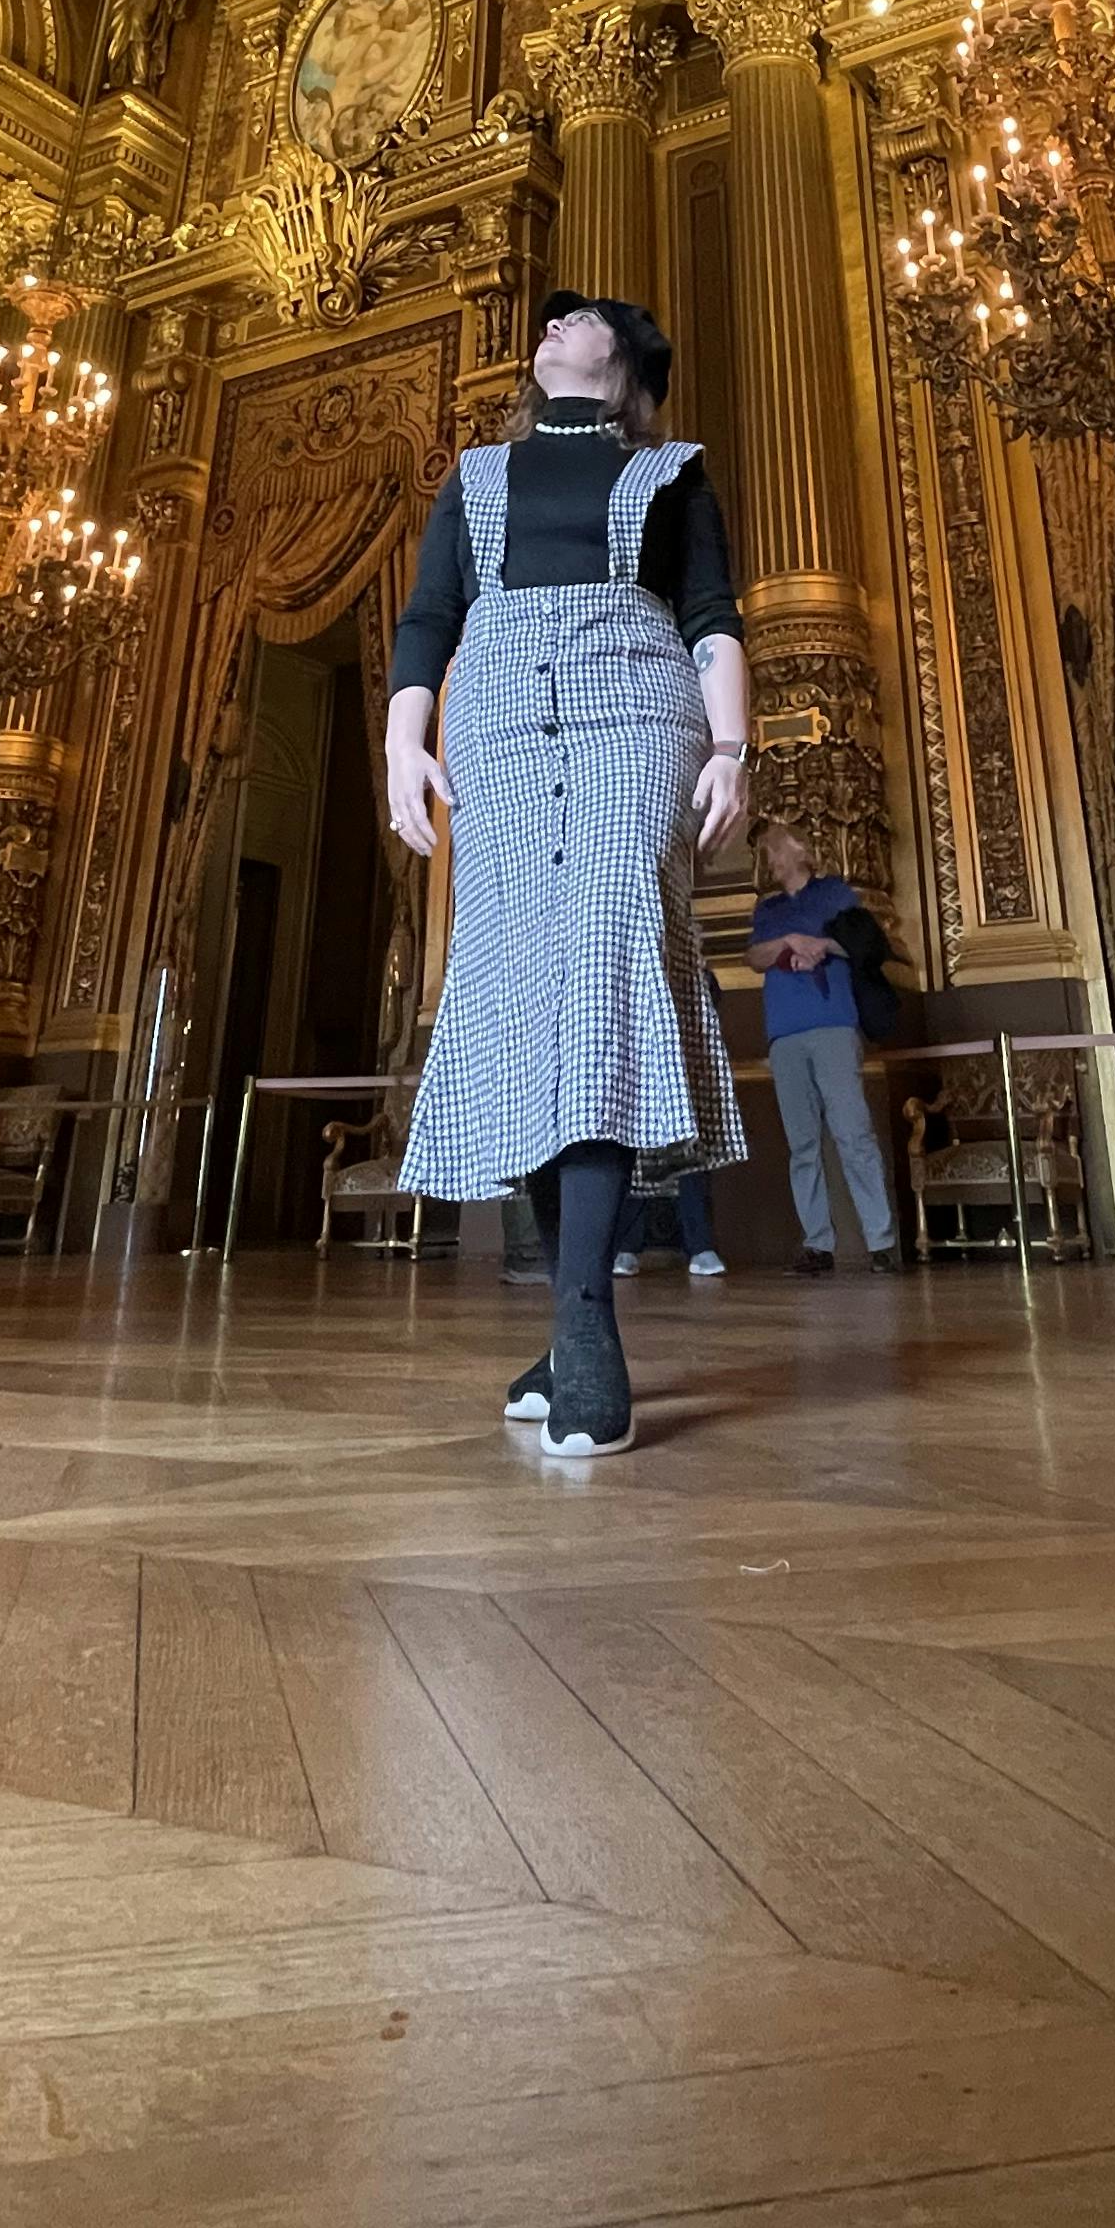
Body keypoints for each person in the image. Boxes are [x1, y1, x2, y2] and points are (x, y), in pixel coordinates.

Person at [385, 290, 749, 1462]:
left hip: (635, 710)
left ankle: (585, 1322)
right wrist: (404, 741)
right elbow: (431, 615)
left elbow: (712, 616)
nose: (550, 331)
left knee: (600, 973)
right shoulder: (477, 476)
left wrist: (734, 746)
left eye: (577, 320)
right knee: (530, 1002)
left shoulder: (675, 471)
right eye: (543, 328)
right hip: (492, 720)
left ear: (631, 359)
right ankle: (573, 1324)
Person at [748, 823, 902, 1275]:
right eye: (765, 853)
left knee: (853, 1134)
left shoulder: (835, 894)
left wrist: (820, 945)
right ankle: (817, 1242)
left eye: (775, 849)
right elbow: (753, 956)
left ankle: (881, 1239)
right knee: (803, 1144)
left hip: (833, 1024)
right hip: (785, 1033)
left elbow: (867, 944)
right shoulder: (768, 909)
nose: (770, 860)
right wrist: (789, 943)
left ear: (801, 849)